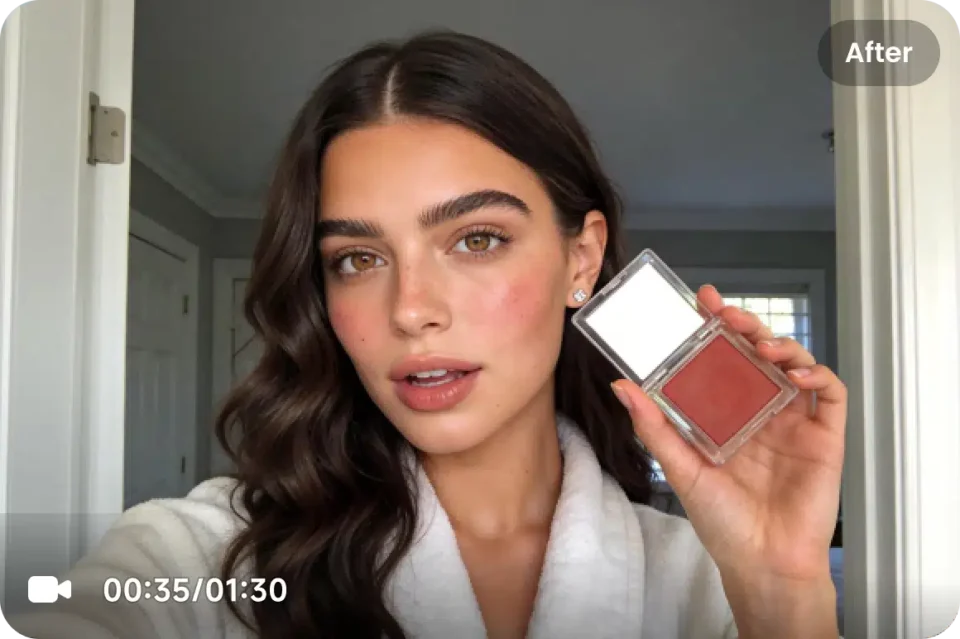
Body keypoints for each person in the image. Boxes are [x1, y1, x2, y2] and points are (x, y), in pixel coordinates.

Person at [7, 30, 845, 639]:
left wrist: (784, 589)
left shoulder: (706, 589)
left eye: (476, 239)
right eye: (358, 257)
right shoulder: (201, 556)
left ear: (581, 259)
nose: (410, 308)